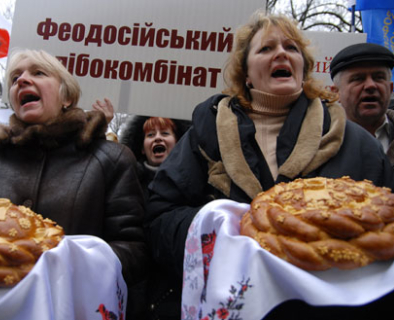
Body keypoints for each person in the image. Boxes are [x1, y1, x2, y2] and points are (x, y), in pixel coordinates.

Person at [145, 11, 394, 319]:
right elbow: (159, 219)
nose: (281, 53)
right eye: (266, 49)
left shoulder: (357, 143)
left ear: (302, 67)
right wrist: (228, 234)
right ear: (245, 73)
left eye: (291, 48)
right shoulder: (204, 137)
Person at [0, 49, 148, 318]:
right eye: (15, 78)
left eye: (38, 73)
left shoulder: (111, 159)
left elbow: (133, 248)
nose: (22, 81)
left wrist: (66, 264)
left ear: (67, 97)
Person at [120, 115, 190, 319]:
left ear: (178, 143)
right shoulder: (126, 184)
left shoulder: (195, 186)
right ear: (142, 148)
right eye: (151, 135)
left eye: (165, 133)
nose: (158, 139)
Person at [330, 42, 394, 166]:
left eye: (378, 77)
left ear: (390, 88)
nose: (370, 85)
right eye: (358, 78)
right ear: (336, 93)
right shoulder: (317, 144)